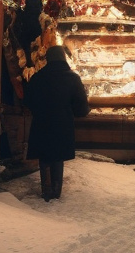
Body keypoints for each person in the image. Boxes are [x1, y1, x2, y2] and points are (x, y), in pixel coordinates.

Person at [23, 44, 89, 201]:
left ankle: (46, 188)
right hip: (62, 124)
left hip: (41, 124)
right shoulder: (72, 78)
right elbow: (81, 106)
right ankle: (56, 189)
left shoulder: (37, 78)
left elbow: (28, 101)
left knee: (44, 156)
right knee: (58, 158)